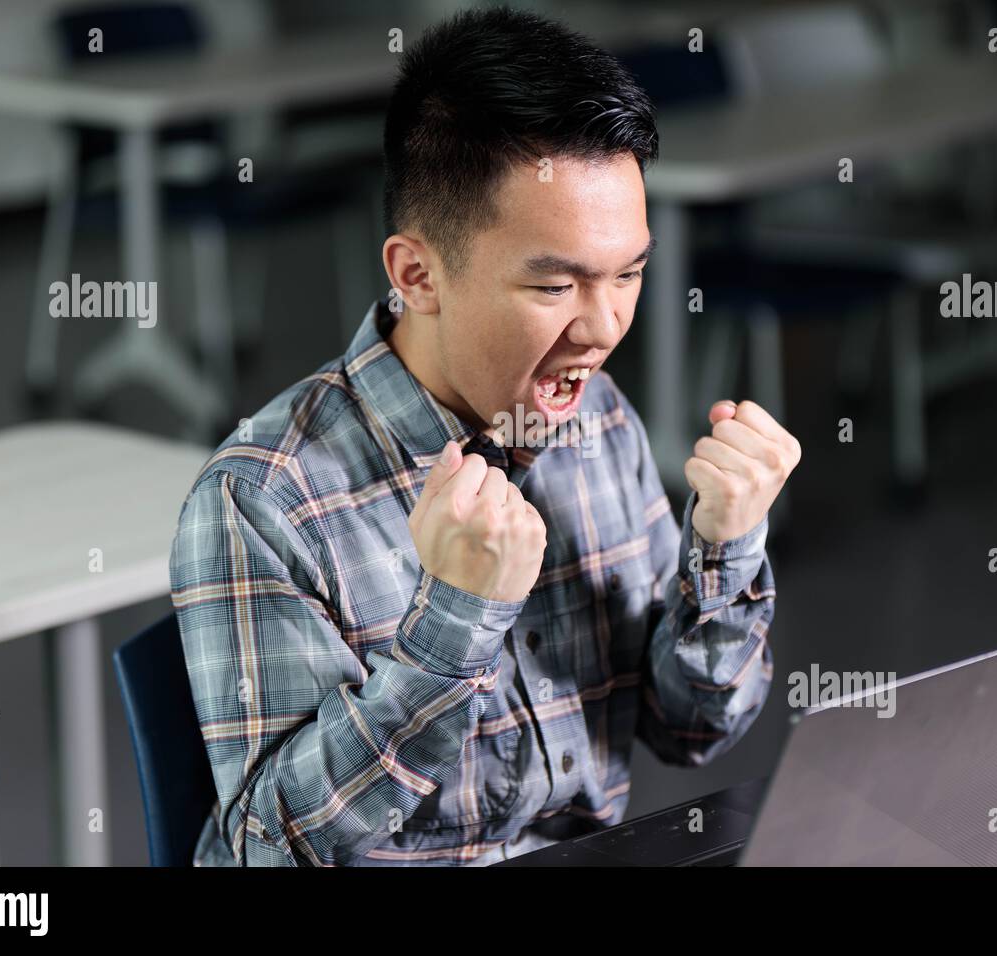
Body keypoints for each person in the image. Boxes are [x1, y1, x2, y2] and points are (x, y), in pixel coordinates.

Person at [169, 5, 801, 866]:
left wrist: (725, 550)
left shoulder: (601, 419)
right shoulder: (264, 499)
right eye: (556, 287)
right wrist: (454, 624)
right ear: (417, 275)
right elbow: (266, 851)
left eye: (629, 274)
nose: (604, 326)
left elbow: (691, 730)